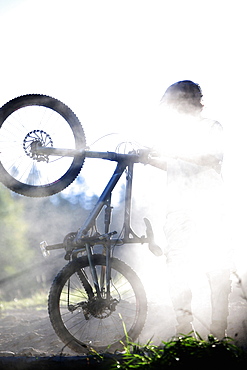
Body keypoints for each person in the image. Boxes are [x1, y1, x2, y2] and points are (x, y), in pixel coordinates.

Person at [147, 80, 231, 338]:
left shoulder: (211, 127)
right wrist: (149, 160)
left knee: (216, 268)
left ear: (189, 101)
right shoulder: (176, 134)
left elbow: (209, 158)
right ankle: (184, 332)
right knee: (177, 269)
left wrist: (171, 151)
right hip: (179, 210)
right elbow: (177, 165)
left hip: (208, 206)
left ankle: (219, 333)